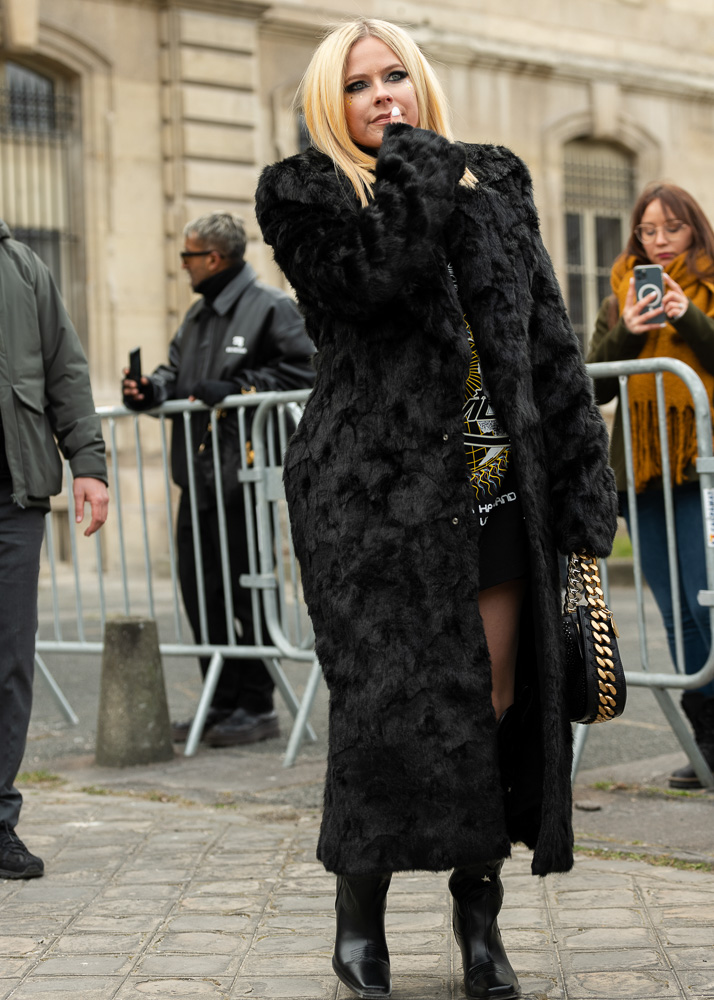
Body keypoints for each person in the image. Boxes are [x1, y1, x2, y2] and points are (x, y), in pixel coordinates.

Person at [255, 18, 617, 1000]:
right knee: (382, 712)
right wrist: (416, 167)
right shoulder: (305, 193)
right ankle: (358, 921)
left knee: (491, 705)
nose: (382, 96)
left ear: (422, 81)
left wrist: (585, 481)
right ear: (333, 101)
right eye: (361, 84)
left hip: (496, 494)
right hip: (370, 505)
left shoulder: (494, 181)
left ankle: (479, 926)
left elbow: (547, 334)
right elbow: (371, 284)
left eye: (397, 77)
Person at [122, 213, 314, 748]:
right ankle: (219, 701)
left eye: (187, 256)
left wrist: (237, 387)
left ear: (213, 258)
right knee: (200, 592)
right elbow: (174, 373)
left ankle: (256, 706)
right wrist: (148, 390)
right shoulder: (198, 315)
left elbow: (307, 373)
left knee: (246, 592)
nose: (181, 265)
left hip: (245, 479)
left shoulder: (271, 307)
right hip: (198, 477)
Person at [587, 183, 714, 790]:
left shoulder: (710, 289)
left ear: (696, 231)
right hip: (642, 476)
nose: (659, 242)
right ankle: (706, 741)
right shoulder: (619, 296)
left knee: (707, 604)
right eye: (647, 230)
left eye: (672, 229)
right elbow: (591, 384)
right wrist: (631, 332)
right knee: (677, 618)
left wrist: (686, 316)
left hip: (702, 474)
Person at [0, 220, 109, 879]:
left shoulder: (23, 267)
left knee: (9, 663)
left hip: (13, 500)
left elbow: (66, 368)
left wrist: (89, 464)